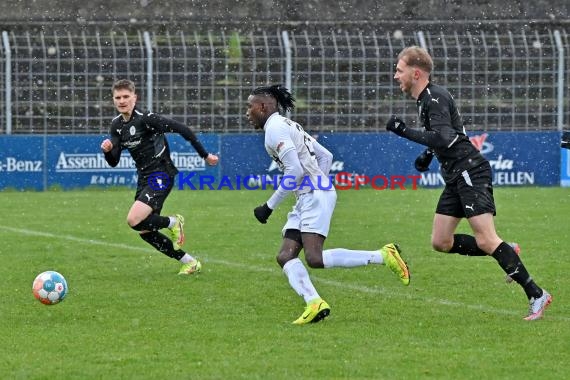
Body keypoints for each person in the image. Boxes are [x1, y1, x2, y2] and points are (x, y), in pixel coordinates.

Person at [386, 46, 552, 320]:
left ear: (416, 73)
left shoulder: (434, 97)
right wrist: (426, 155)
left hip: (469, 172)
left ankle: (536, 294)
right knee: (441, 241)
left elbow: (443, 137)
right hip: (455, 175)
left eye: (399, 70)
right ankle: (505, 249)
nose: (396, 76)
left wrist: (404, 131)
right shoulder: (428, 98)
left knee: (487, 239)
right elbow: (449, 134)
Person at [246, 84, 410, 325]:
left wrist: (269, 206)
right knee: (285, 255)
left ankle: (383, 255)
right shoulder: (288, 125)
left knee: (315, 258)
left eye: (249, 107)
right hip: (311, 194)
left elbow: (294, 169)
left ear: (263, 106)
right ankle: (314, 302)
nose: (247, 113)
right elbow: (326, 157)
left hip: (314, 194)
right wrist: (318, 183)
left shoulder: (276, 129)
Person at [101, 79, 219, 275]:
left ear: (134, 97)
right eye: (118, 97)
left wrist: (205, 155)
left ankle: (173, 222)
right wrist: (107, 150)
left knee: (133, 220)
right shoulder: (116, 126)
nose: (122, 101)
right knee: (145, 231)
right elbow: (113, 161)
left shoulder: (146, 119)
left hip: (161, 174)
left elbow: (183, 129)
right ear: (113, 100)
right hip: (144, 178)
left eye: (126, 97)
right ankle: (190, 262)